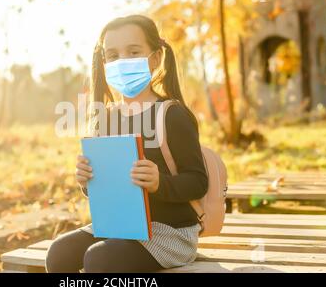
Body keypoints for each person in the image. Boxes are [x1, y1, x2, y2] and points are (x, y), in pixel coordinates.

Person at [46, 14, 208, 273]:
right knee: (59, 253)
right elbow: (108, 189)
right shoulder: (106, 117)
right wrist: (87, 181)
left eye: (133, 52)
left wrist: (159, 183)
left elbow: (199, 182)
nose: (122, 62)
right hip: (120, 225)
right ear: (104, 62)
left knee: (100, 259)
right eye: (113, 55)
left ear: (155, 59)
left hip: (169, 232)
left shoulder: (171, 114)